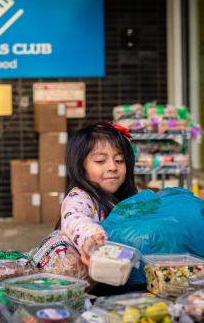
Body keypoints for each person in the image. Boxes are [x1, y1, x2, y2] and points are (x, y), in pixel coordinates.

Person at [56, 122, 142, 295]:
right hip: (92, 289)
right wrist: (90, 236)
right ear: (80, 166)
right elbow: (76, 217)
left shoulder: (121, 198)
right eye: (101, 161)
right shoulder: (79, 197)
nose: (112, 167)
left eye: (119, 160)